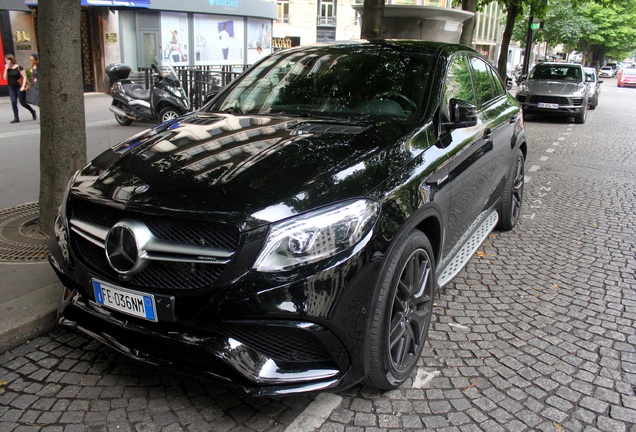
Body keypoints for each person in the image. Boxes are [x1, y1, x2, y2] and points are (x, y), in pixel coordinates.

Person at [3, 54, 36, 123]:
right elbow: (5, 78)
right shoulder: (7, 68)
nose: (6, 62)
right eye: (5, 60)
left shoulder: (19, 67)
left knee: (23, 103)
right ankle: (16, 117)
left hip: (19, 87)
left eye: (7, 60)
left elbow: (24, 77)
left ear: (12, 60)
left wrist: (23, 86)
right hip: (11, 87)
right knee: (13, 101)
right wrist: (6, 69)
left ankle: (32, 111)